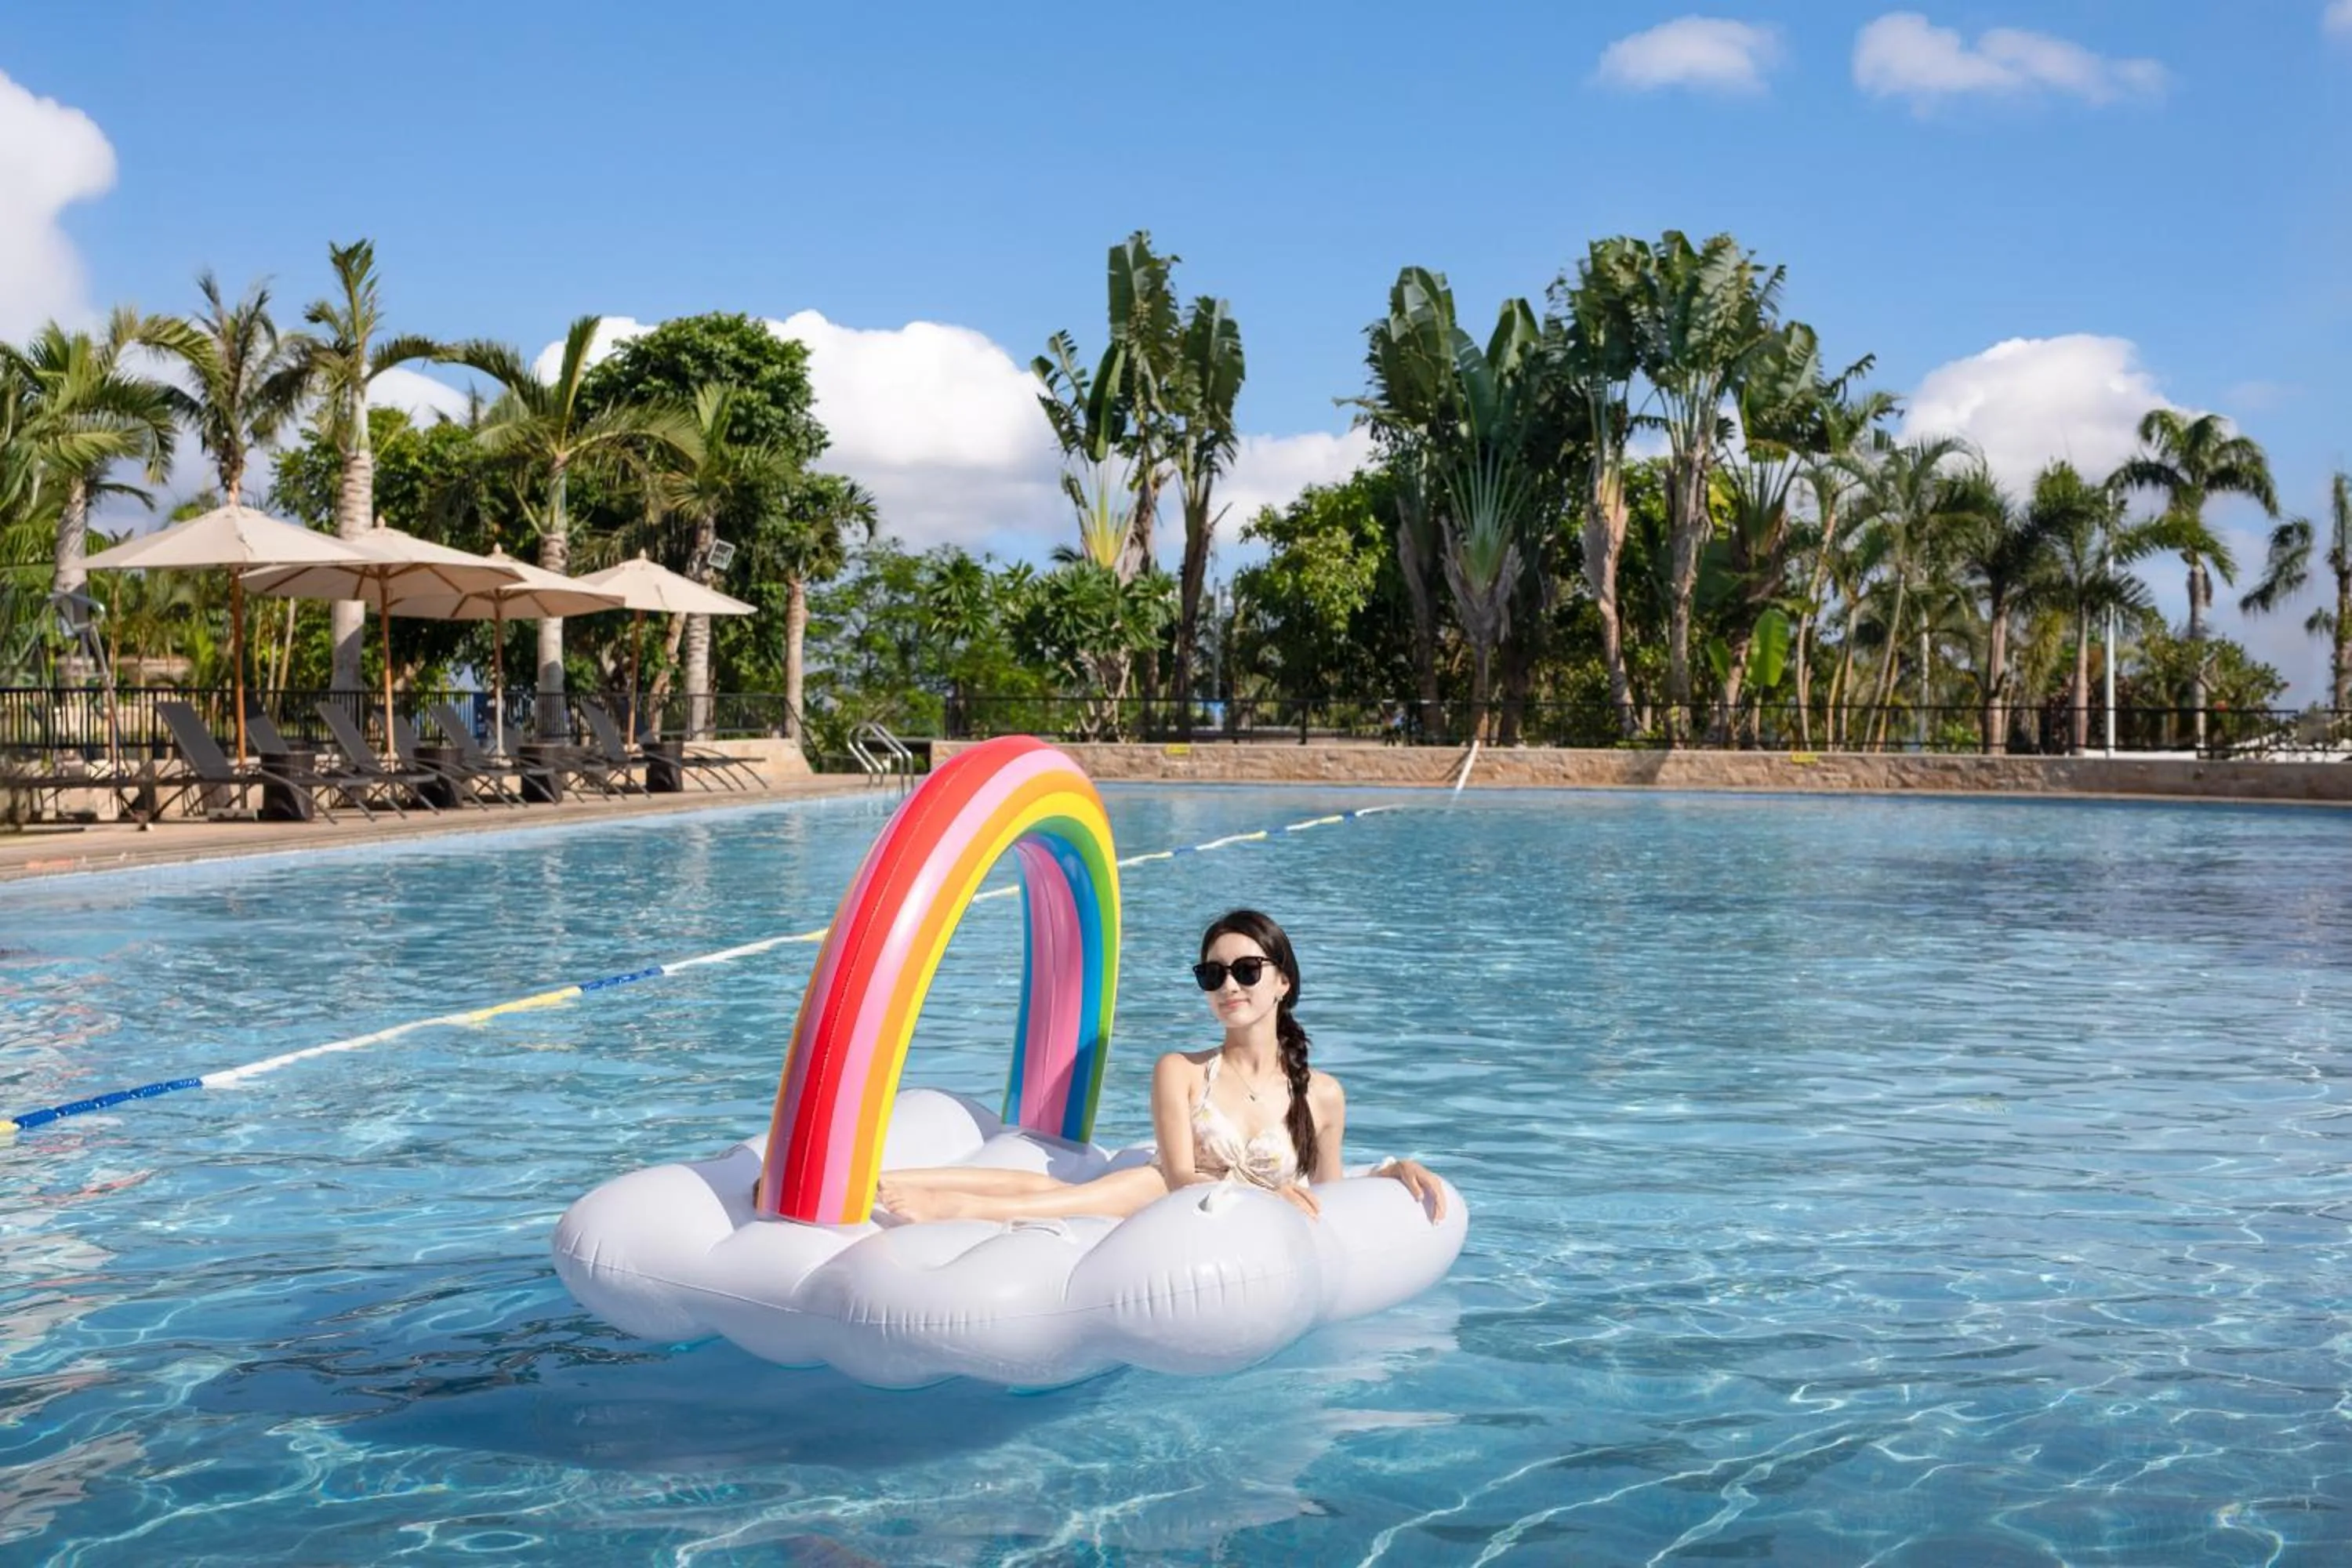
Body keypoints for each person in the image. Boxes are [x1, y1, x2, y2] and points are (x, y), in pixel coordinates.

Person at [875, 909, 1446, 1225]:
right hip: (1164, 1190)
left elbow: (1327, 1188)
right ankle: (935, 1199)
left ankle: (914, 1187)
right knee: (1084, 1195)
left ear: (1283, 981)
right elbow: (1179, 1178)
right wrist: (1262, 1198)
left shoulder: (1322, 1094)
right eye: (1212, 974)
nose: (1229, 985)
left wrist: (1391, 1172)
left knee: (1060, 1190)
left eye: (1247, 971)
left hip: (1181, 1200)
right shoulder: (1181, 1071)